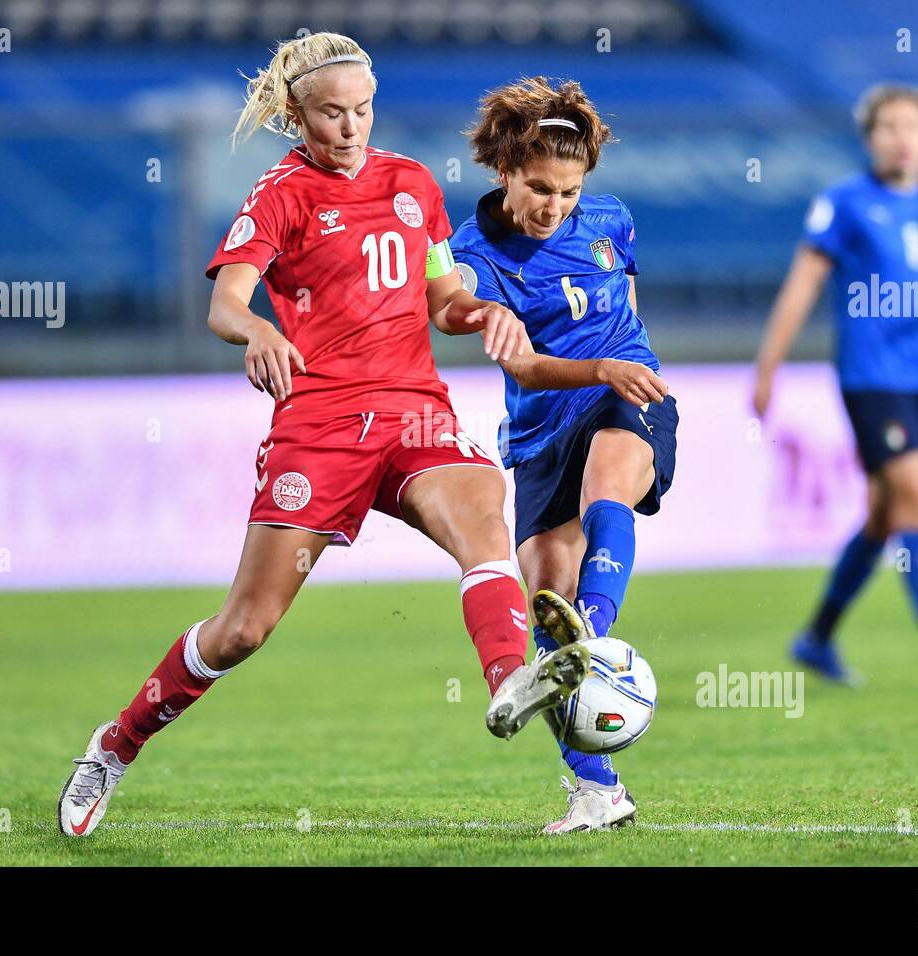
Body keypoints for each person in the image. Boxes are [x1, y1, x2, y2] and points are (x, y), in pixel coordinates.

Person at [57, 34, 590, 838]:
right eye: (332, 113)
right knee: (244, 630)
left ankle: (509, 679)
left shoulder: (412, 185)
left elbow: (444, 301)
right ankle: (115, 744)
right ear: (295, 113)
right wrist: (258, 332)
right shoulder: (280, 194)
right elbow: (226, 304)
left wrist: (485, 311)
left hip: (413, 409)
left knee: (484, 503)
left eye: (363, 110)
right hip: (323, 425)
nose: (350, 127)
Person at [450, 76, 677, 834]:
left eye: (570, 192)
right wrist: (594, 366)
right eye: (541, 188)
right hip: (542, 425)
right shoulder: (473, 253)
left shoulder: (612, 219)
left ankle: (599, 632)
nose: (555, 205)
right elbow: (524, 368)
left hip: (624, 396)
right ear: (505, 170)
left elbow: (627, 307)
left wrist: (627, 366)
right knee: (544, 589)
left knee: (611, 473)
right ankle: (598, 790)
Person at [751, 83, 918, 686]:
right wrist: (767, 366)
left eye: (913, 126)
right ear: (869, 138)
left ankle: (816, 638)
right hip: (870, 381)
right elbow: (803, 284)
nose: (902, 138)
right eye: (888, 126)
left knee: (886, 518)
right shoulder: (846, 202)